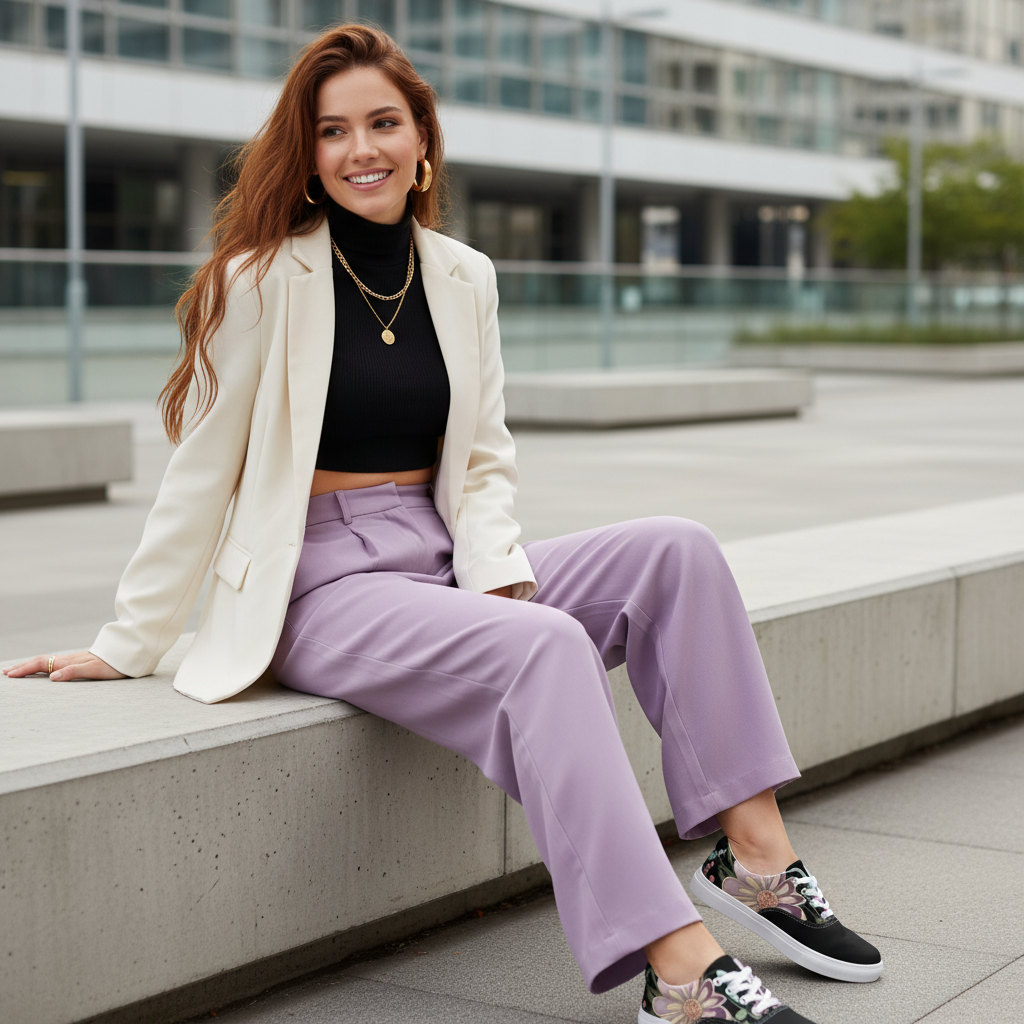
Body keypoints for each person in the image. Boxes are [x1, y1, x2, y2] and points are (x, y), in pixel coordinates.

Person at [3, 25, 881, 1023]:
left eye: (383, 122)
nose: (361, 149)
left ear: (422, 137)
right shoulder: (259, 279)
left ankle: (757, 864)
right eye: (332, 131)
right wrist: (128, 641)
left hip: (437, 550)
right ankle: (678, 972)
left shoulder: (464, 274)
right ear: (308, 153)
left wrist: (494, 564)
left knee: (676, 550)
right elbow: (198, 475)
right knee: (547, 646)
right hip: (320, 583)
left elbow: (483, 458)